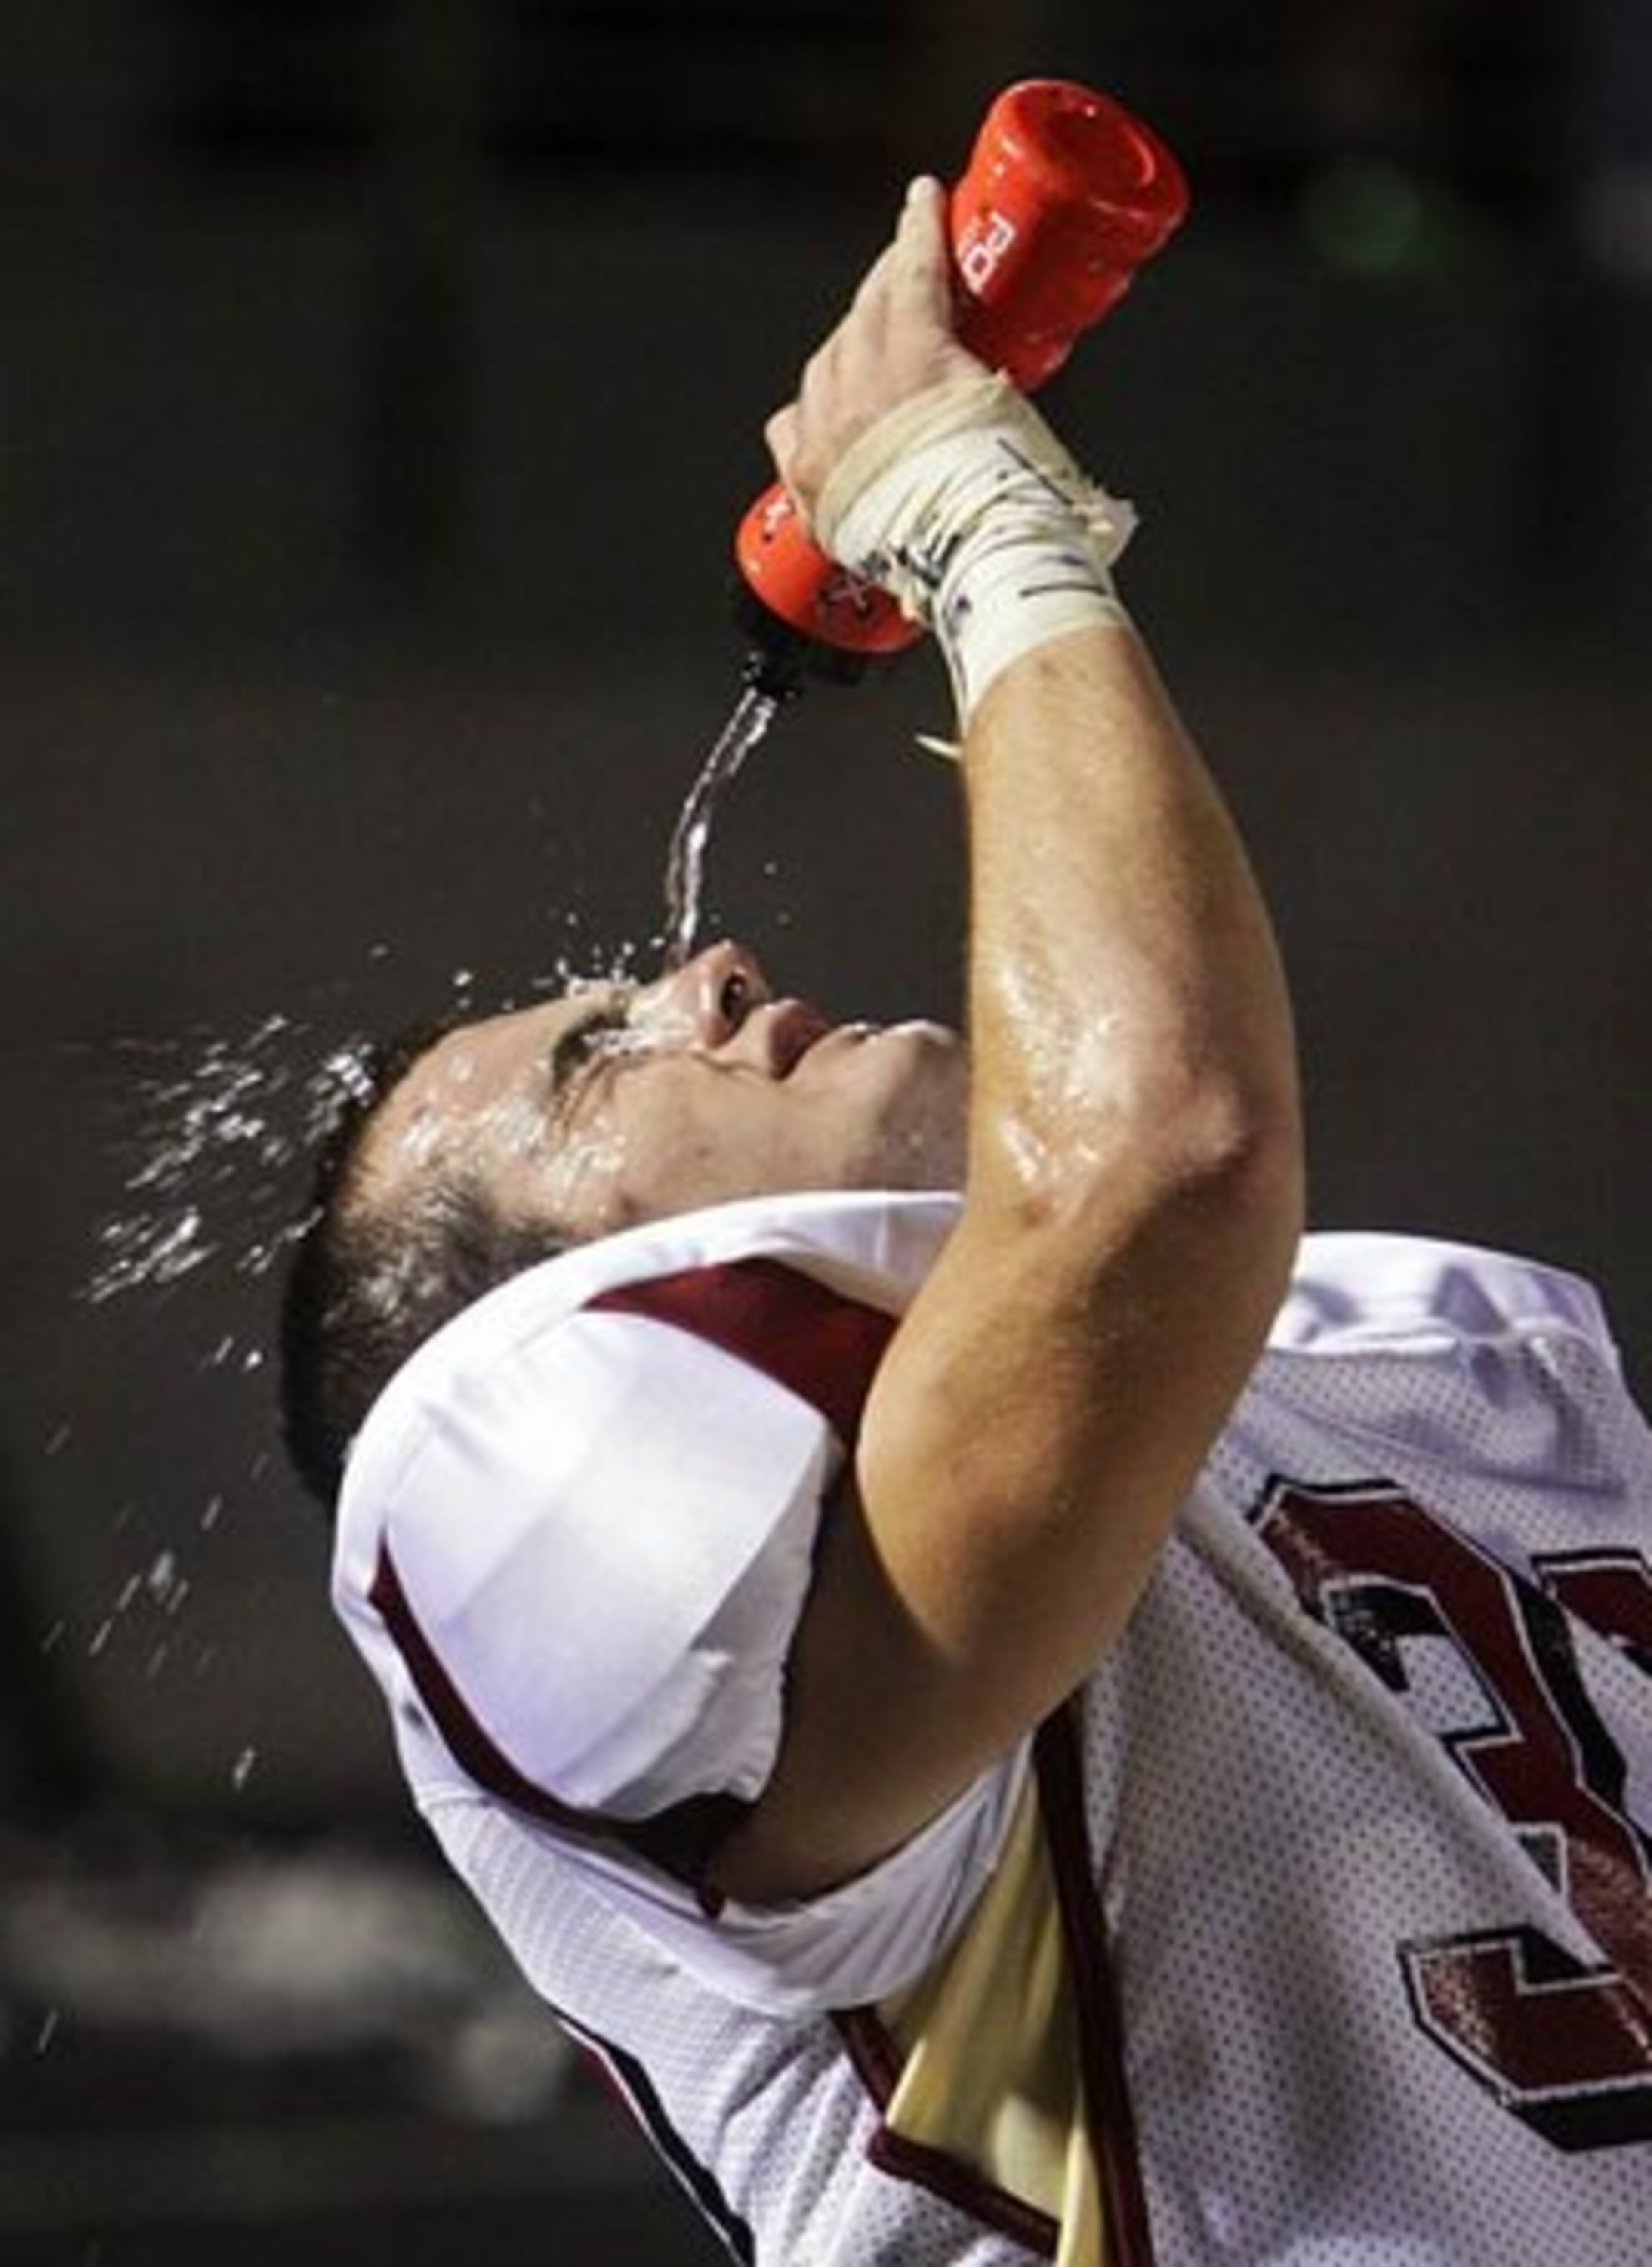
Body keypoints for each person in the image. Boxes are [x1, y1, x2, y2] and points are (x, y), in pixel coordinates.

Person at [278, 177, 1652, 2264]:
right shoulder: (514, 1510)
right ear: (549, 1335)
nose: (705, 973)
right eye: (597, 1058)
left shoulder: (1393, 1362)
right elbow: (1159, 1152)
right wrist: (971, 515)